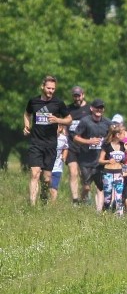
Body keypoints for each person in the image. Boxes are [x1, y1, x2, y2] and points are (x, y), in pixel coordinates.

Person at [23, 76, 71, 205]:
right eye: (49, 88)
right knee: (34, 173)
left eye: (53, 89)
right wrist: (27, 126)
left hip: (50, 144)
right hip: (36, 143)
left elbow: (69, 119)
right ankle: (32, 206)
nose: (51, 91)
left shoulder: (58, 103)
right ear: (42, 87)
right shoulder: (33, 101)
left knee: (47, 178)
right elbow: (27, 114)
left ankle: (44, 197)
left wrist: (58, 120)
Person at [73, 99, 110, 211]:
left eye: (101, 108)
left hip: (101, 160)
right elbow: (75, 137)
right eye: (97, 107)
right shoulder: (85, 121)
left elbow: (115, 135)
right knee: (86, 187)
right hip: (86, 160)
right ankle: (82, 204)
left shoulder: (108, 123)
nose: (99, 110)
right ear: (91, 108)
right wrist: (88, 141)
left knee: (101, 187)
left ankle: (99, 211)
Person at [98, 124, 127, 215]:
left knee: (118, 197)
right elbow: (100, 160)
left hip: (119, 173)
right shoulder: (107, 145)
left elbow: (124, 161)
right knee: (107, 198)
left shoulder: (123, 145)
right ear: (117, 135)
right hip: (108, 173)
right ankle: (105, 213)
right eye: (123, 134)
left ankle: (119, 216)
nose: (125, 136)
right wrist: (108, 161)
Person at [66, 85, 89, 203]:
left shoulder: (90, 109)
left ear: (83, 95)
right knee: (73, 172)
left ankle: (84, 197)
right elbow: (63, 125)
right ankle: (75, 200)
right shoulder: (68, 109)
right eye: (74, 96)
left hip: (86, 147)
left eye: (78, 95)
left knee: (85, 179)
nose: (76, 98)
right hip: (71, 146)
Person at [48, 126, 69, 203]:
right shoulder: (47, 138)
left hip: (57, 167)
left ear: (61, 128)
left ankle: (52, 205)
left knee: (54, 187)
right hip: (47, 167)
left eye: (58, 127)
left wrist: (64, 156)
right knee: (47, 185)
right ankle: (45, 200)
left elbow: (66, 148)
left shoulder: (63, 138)